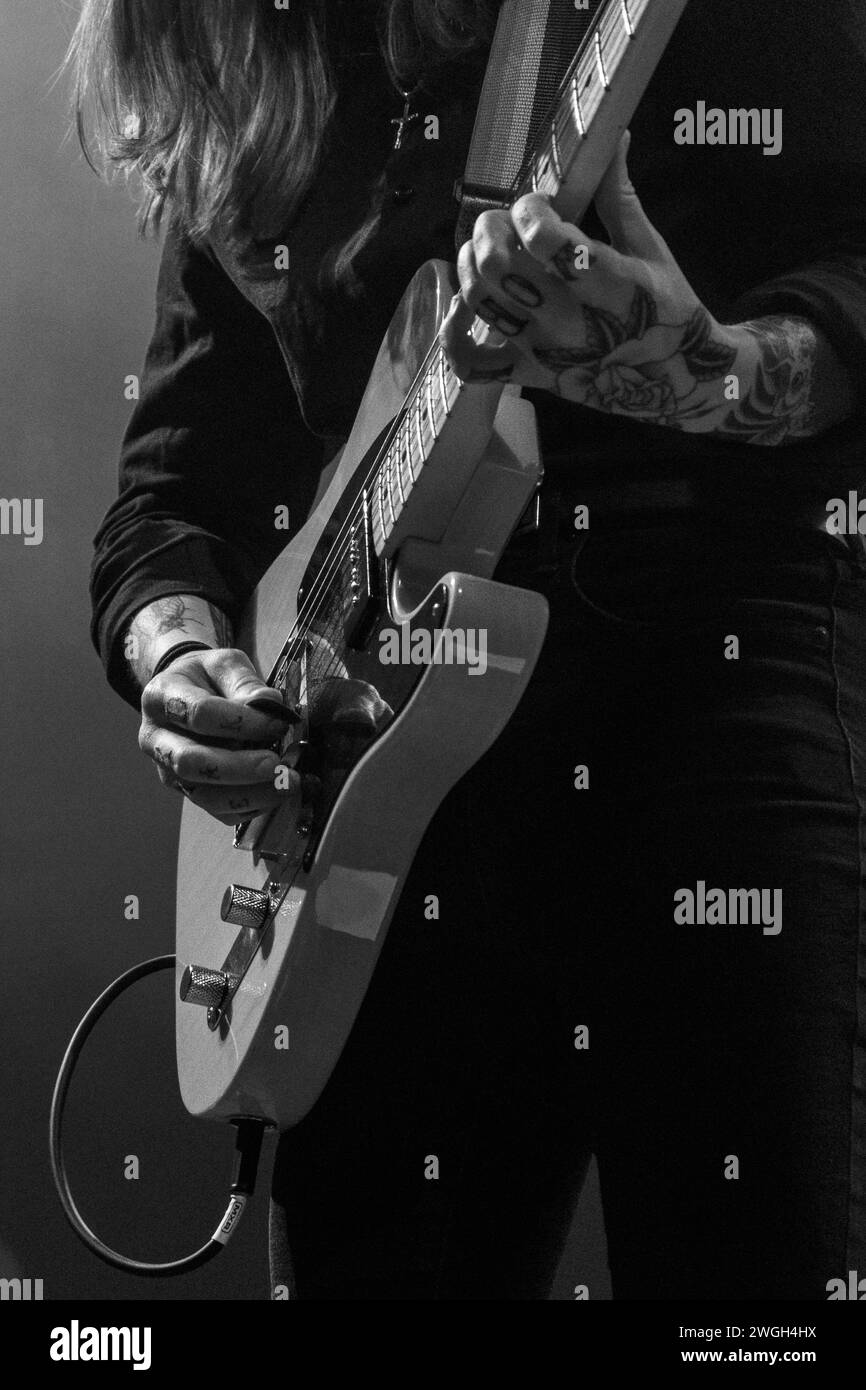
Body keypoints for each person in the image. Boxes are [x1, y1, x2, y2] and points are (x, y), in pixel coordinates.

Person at [73, 0, 866, 1299]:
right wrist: (176, 658)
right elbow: (175, 487)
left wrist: (718, 374)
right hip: (363, 772)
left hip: (702, 668)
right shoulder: (232, 42)